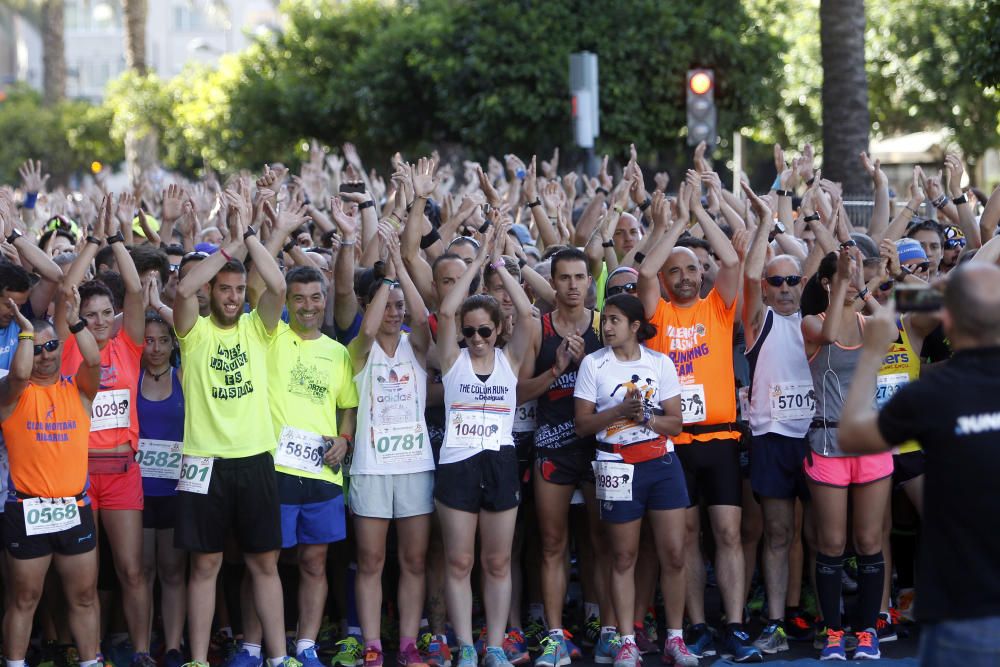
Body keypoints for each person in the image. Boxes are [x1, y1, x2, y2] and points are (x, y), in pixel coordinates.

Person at [838, 262, 1000, 667]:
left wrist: (873, 352)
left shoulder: (933, 392)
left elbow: (852, 435)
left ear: (947, 319)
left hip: (961, 611)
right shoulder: (933, 387)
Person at [172, 183, 296, 667]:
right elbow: (182, 288)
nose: (232, 296)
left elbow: (280, 286)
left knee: (265, 564)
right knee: (204, 565)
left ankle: (279, 656)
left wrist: (249, 231)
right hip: (202, 462)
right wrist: (231, 243)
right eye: (224, 288)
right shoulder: (193, 331)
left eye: (239, 289)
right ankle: (199, 659)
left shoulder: (256, 328)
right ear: (212, 290)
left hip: (254, 460)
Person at [637, 185, 761, 662]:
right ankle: (697, 625)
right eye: (677, 270)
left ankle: (733, 624)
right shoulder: (659, 314)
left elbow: (730, 261)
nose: (686, 276)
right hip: (674, 442)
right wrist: (673, 224)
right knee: (685, 537)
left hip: (721, 438)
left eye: (692, 268)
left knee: (728, 533)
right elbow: (646, 267)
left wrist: (698, 214)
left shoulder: (718, 306)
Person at [57, 195, 153, 667]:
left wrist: (117, 238)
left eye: (103, 314)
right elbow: (64, 294)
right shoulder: (71, 348)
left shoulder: (128, 345)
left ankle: (139, 653)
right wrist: (90, 242)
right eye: (88, 315)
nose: (96, 322)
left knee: (133, 571)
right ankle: (91, 655)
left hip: (121, 472)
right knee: (86, 579)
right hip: (77, 475)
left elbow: (136, 293)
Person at [574, 294, 695, 667]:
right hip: (615, 465)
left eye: (614, 320)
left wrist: (645, 418)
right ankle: (625, 640)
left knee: (674, 553)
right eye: (604, 320)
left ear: (634, 326)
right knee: (623, 555)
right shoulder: (593, 364)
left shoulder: (660, 362)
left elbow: (675, 423)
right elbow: (582, 425)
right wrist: (617, 412)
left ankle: (675, 639)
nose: (607, 327)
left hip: (661, 462)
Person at [434, 220, 534, 667]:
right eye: (469, 331)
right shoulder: (452, 358)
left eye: (484, 331)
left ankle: (494, 644)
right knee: (459, 563)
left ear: (498, 330)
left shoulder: (511, 359)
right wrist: (476, 261)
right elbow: (448, 307)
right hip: (458, 463)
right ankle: (466, 646)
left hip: (499, 461)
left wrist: (500, 261)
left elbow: (528, 314)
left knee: (497, 563)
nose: (476, 339)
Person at [0, 288, 102, 667]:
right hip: (27, 510)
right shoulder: (12, 394)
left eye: (51, 347)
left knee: (85, 597)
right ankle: (14, 662)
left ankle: (91, 661)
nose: (46, 356)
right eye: (37, 349)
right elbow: (20, 372)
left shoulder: (78, 392)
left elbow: (94, 360)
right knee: (24, 599)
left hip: (73, 506)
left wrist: (75, 322)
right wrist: (28, 331)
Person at [517, 247, 605, 667]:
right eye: (564, 278)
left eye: (580, 277)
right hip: (552, 444)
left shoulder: (605, 326)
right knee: (552, 543)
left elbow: (618, 387)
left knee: (599, 541)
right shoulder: (540, 327)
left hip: (598, 447)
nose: (573, 285)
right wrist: (557, 368)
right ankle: (554, 635)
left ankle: (601, 624)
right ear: (551, 283)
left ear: (590, 282)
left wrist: (588, 366)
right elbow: (518, 392)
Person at [800, 248, 889, 661]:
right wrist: (841, 284)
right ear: (826, 283)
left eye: (858, 274)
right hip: (827, 444)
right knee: (832, 544)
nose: (854, 279)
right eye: (845, 275)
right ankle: (834, 631)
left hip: (870, 442)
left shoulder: (871, 321)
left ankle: (867, 631)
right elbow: (832, 334)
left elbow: (891, 332)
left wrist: (866, 287)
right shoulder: (812, 323)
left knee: (869, 540)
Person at [348, 234, 432, 667]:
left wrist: (400, 269)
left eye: (398, 307)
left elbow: (423, 319)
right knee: (371, 560)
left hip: (415, 466)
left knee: (414, 560)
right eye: (387, 305)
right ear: (372, 306)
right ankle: (372, 644)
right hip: (371, 468)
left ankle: (407, 643)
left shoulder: (415, 348)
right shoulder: (359, 351)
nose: (394, 312)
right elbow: (366, 328)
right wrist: (387, 280)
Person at [739, 195, 813, 654]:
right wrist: (765, 223)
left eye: (793, 281)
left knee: (825, 535)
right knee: (779, 532)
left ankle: (829, 620)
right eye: (777, 281)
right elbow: (747, 275)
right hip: (771, 438)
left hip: (817, 437)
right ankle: (776, 622)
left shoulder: (819, 320)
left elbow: (831, 262)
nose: (785, 287)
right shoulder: (758, 321)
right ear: (765, 288)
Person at [136, 316, 187, 667]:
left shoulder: (183, 377)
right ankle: (141, 648)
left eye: (162, 341)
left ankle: (172, 647)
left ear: (173, 345)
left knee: (172, 571)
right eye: (148, 341)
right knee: (142, 571)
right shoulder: (130, 378)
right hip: (136, 492)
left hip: (174, 490)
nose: (154, 349)